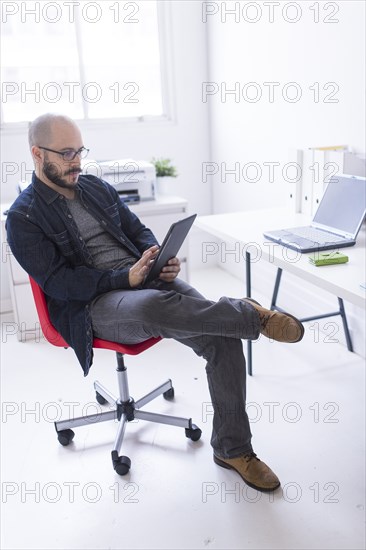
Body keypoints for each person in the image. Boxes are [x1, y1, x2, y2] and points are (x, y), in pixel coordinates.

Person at [6, 113, 304, 492]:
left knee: (220, 336)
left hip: (140, 279)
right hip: (93, 305)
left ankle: (232, 449)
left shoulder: (95, 187)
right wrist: (122, 278)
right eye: (66, 153)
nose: (77, 161)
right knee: (152, 307)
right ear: (37, 153)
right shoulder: (23, 217)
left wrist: (157, 256)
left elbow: (135, 228)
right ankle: (249, 314)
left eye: (80, 150)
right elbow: (60, 283)